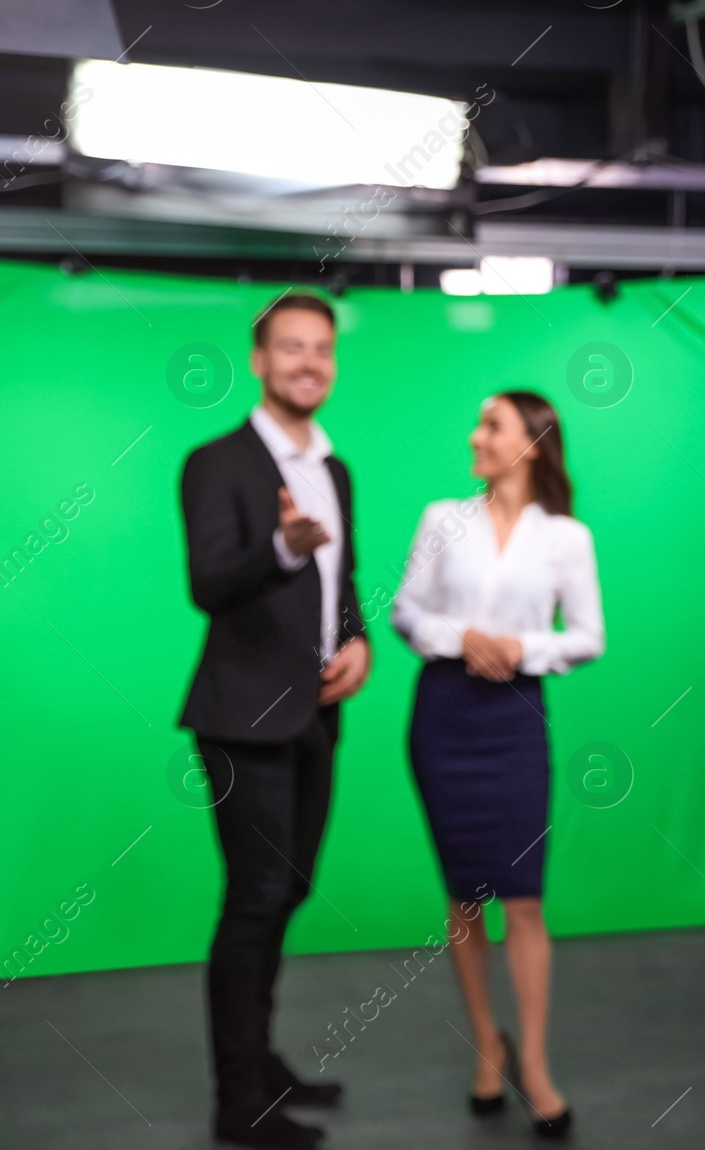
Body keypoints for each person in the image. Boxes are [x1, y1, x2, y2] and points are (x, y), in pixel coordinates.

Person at [179, 293, 371, 1150]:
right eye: (290, 348)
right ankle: (238, 1101)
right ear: (258, 360)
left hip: (316, 717)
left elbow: (345, 582)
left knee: (286, 891)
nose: (307, 363)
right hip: (241, 722)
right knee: (254, 900)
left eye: (321, 349)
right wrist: (286, 546)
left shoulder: (334, 468)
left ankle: (261, 1060)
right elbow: (210, 584)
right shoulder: (215, 462)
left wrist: (359, 643)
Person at [390, 391, 604, 1141]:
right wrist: (466, 638)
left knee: (524, 901)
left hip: (516, 720)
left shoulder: (567, 537)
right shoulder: (440, 518)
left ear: (533, 444)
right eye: (477, 421)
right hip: (445, 716)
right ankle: (488, 1044)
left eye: (492, 425)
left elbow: (586, 636)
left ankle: (535, 1063)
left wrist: (521, 649)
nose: (475, 435)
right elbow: (405, 612)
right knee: (466, 897)